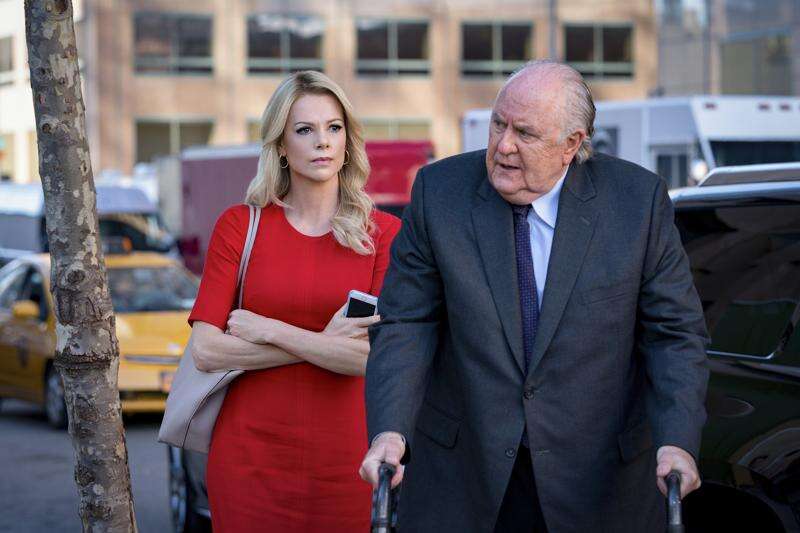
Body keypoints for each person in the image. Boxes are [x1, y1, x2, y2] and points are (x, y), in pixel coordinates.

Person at [360, 60, 709, 532]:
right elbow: (406, 322)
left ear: (571, 145)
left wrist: (678, 439)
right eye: (498, 124)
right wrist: (390, 430)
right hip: (466, 476)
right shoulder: (439, 193)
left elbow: (674, 334)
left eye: (524, 133)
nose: (503, 145)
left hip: (598, 482)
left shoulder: (636, 203)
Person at [188, 71, 401, 532]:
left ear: (347, 140)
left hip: (347, 463)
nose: (322, 141)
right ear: (281, 146)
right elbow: (206, 350)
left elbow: (373, 359)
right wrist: (326, 343)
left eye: (333, 127)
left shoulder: (383, 235)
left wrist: (271, 329)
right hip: (247, 461)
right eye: (304, 130)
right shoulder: (239, 226)